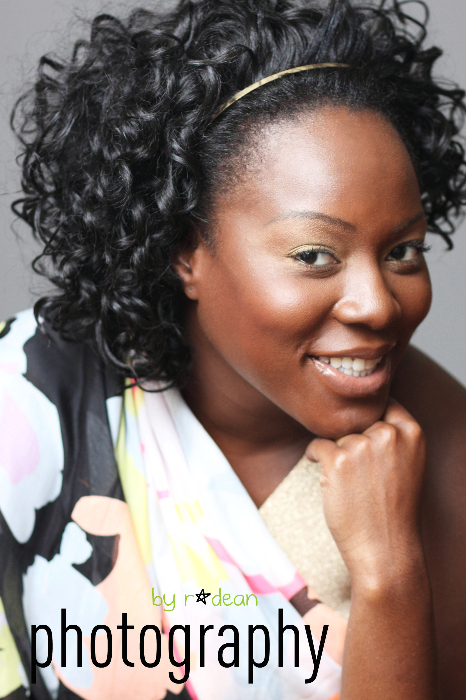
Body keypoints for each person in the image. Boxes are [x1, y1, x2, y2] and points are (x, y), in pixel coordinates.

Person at [1, 0, 465, 697]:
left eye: (402, 250)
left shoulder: (449, 455)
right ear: (185, 250)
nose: (378, 305)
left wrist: (388, 570)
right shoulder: (29, 402)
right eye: (314, 254)